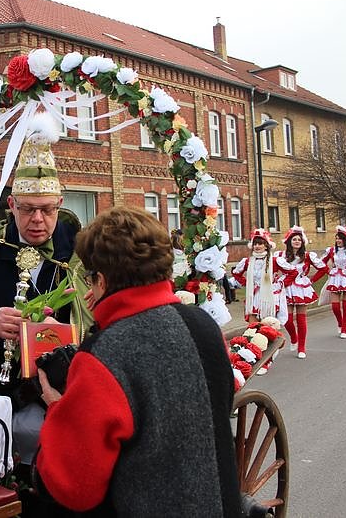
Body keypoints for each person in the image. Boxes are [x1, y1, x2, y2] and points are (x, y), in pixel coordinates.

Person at [33, 206, 241, 517]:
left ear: (100, 280)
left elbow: (75, 487)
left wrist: (58, 407)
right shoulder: (203, 325)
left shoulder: (104, 353)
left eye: (90, 279)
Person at [0, 117, 89, 478]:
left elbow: (95, 321)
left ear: (60, 203)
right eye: (28, 209)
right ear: (11, 204)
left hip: (58, 389)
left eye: (47, 209)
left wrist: (63, 332)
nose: (38, 220)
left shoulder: (79, 253)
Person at [232, 228, 294, 375]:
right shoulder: (248, 261)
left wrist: (279, 284)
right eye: (255, 244)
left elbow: (292, 272)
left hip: (269, 298)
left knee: (268, 329)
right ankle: (251, 357)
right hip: (254, 298)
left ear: (266, 245)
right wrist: (247, 283)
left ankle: (268, 360)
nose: (257, 246)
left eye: (260, 243)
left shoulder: (274, 260)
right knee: (252, 329)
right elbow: (236, 273)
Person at [274, 226, 326, 358]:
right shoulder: (280, 255)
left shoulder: (308, 256)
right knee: (287, 318)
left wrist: (312, 280)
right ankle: (294, 337)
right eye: (294, 239)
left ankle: (302, 348)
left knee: (301, 318)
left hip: (302, 287)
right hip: (285, 287)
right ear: (289, 241)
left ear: (303, 242)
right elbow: (273, 268)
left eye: (299, 239)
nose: (297, 241)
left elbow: (323, 268)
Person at [316, 225, 346, 338]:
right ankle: (340, 322)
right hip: (335, 277)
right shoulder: (332, 250)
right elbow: (320, 262)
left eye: (341, 238)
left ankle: (344, 329)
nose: (338, 240)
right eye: (337, 238)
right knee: (335, 306)